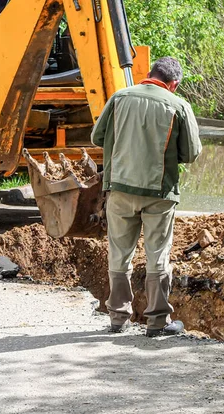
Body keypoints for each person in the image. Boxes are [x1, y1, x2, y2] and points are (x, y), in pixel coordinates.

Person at [91, 57, 202, 337]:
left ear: (149, 74)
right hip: (159, 194)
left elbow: (97, 137)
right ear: (173, 84)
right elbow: (190, 154)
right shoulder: (179, 106)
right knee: (157, 255)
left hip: (119, 189)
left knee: (119, 254)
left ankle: (118, 318)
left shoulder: (119, 98)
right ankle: (157, 322)